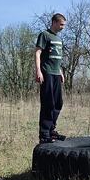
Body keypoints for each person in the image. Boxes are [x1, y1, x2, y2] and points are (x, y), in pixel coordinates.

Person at [35, 13, 67, 143]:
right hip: (46, 72)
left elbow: (57, 57)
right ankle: (44, 134)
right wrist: (38, 71)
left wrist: (60, 71)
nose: (63, 27)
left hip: (55, 73)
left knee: (58, 103)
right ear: (54, 22)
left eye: (64, 25)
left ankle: (52, 130)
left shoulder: (59, 39)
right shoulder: (45, 35)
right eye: (61, 24)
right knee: (48, 103)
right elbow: (37, 52)